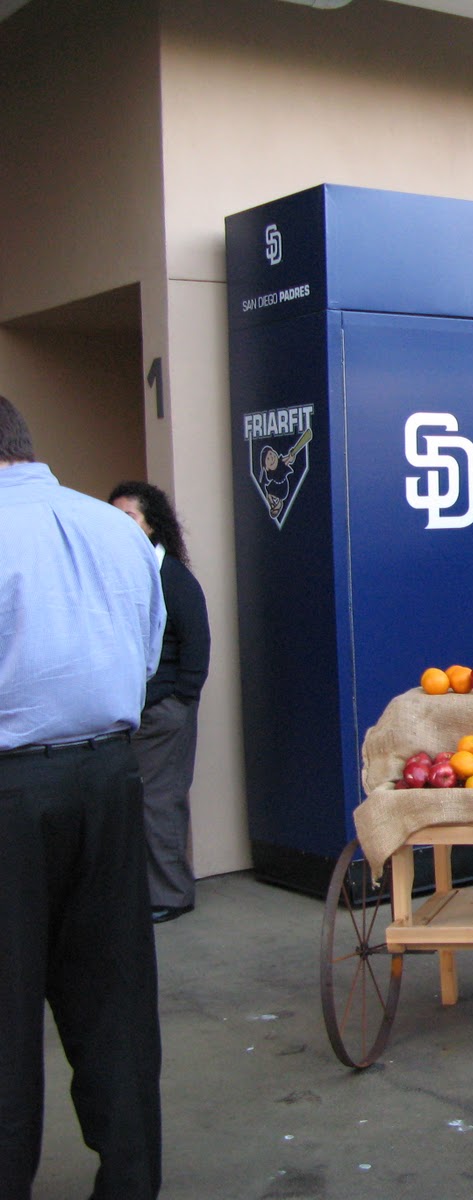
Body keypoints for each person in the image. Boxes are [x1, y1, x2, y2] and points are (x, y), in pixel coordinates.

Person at [0, 395, 166, 1197]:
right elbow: (145, 652)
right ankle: (131, 1180)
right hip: (108, 775)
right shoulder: (116, 531)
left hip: (11, 790)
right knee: (114, 997)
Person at [110, 481, 212, 924]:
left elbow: (197, 645)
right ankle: (146, 891)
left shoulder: (173, 578)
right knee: (131, 804)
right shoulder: (119, 573)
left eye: (128, 515)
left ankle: (171, 895)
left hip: (163, 711)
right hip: (129, 712)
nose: (119, 524)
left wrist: (179, 698)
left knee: (160, 802)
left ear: (152, 524)